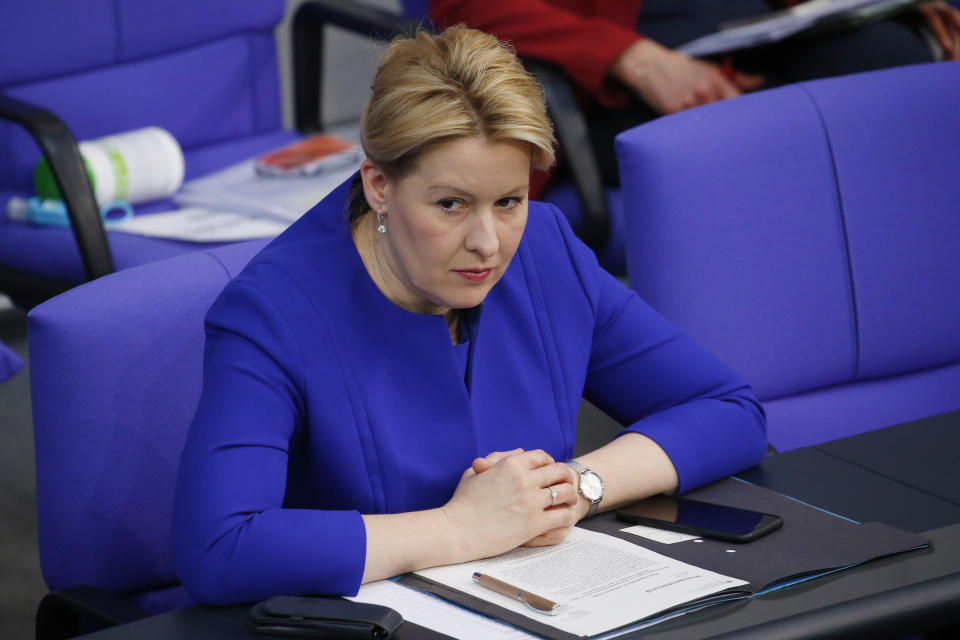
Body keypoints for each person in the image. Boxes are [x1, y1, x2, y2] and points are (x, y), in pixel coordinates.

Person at [172, 26, 767, 604]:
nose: (488, 243)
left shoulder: (544, 249)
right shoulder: (270, 314)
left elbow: (728, 411)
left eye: (508, 201)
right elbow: (221, 548)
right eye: (452, 204)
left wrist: (574, 489)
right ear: (379, 185)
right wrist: (460, 529)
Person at [430, 0, 960, 185]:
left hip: (764, 41)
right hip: (620, 88)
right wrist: (632, 58)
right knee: (754, 137)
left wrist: (882, 4)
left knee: (897, 57)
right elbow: (470, 9)